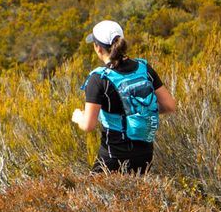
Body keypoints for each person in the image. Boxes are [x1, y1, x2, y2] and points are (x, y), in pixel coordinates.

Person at [71, 19, 175, 173]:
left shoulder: (98, 79)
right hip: (145, 154)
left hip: (113, 155)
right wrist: (140, 111)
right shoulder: (144, 68)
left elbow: (88, 125)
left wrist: (78, 116)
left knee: (93, 194)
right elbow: (170, 106)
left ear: (98, 48)